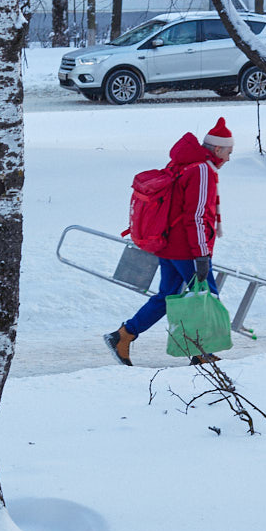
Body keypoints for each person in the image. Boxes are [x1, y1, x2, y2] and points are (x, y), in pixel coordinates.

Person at [104, 118, 233, 366]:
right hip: (187, 249)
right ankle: (202, 353)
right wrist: (201, 254)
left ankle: (123, 335)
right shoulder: (202, 170)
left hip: (169, 245)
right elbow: (196, 216)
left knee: (168, 295)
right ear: (217, 149)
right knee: (206, 295)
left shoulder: (182, 164)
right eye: (228, 152)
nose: (228, 158)